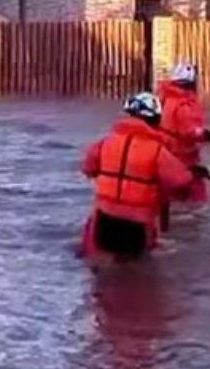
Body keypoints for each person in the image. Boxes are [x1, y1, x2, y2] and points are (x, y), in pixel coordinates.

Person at [81, 92, 198, 262]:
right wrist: (193, 173)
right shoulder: (157, 151)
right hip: (136, 226)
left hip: (104, 221)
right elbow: (181, 182)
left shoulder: (104, 144)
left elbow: (88, 169)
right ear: (154, 120)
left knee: (105, 273)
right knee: (136, 275)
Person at [158, 62, 210, 204]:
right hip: (183, 159)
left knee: (171, 198)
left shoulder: (165, 100)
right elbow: (190, 132)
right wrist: (208, 135)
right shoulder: (184, 104)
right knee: (197, 200)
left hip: (167, 156)